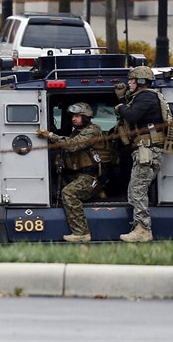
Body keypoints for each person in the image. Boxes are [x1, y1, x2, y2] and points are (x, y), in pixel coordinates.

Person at [37, 102, 110, 243]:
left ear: (87, 117)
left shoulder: (93, 130)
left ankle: (81, 233)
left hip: (90, 176)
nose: (73, 119)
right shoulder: (77, 132)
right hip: (78, 175)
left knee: (68, 193)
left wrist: (50, 135)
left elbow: (73, 145)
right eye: (73, 116)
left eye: (78, 116)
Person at [114, 66, 167, 243]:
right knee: (135, 189)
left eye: (132, 80)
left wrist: (121, 106)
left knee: (137, 190)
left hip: (148, 151)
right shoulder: (145, 97)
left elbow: (133, 115)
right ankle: (140, 227)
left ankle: (143, 229)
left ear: (141, 81)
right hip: (147, 150)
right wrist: (124, 99)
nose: (129, 83)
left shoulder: (146, 97)